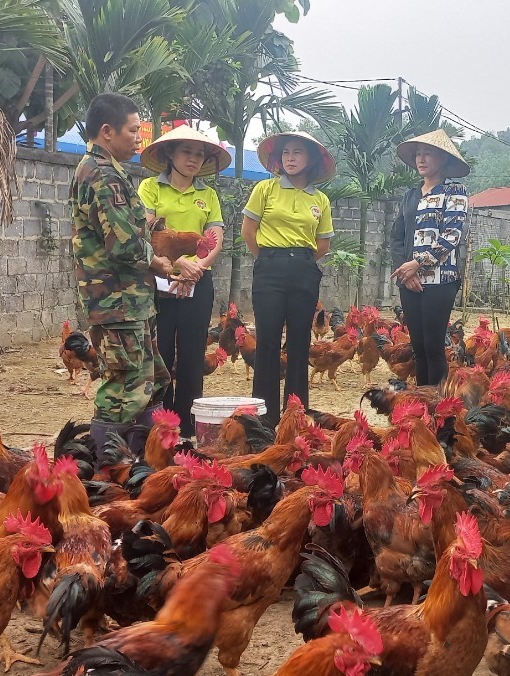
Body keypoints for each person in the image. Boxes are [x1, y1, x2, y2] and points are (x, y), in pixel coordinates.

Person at [70, 92, 181, 461]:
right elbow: (124, 246)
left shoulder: (102, 169)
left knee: (151, 381)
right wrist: (159, 262)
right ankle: (108, 471)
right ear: (107, 131)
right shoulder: (103, 176)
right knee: (125, 390)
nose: (139, 138)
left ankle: (140, 465)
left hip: (129, 301)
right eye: (134, 131)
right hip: (119, 302)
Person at [138, 125, 232, 438]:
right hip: (159, 278)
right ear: (169, 153)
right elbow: (147, 230)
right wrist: (176, 263)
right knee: (160, 353)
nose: (194, 159)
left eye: (200, 153)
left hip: (198, 280)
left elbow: (215, 238)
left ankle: (189, 429)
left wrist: (197, 267)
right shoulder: (150, 188)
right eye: (186, 152)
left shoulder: (208, 195)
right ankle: (162, 428)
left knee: (193, 355)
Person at [241, 131, 336, 427]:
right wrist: (271, 258)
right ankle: (264, 419)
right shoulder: (265, 189)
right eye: (286, 153)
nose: (291, 158)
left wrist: (300, 261)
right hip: (269, 269)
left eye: (298, 152)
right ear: (278, 159)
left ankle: (295, 415)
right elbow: (248, 232)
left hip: (305, 271)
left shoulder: (320, 199)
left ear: (310, 160)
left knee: (299, 341)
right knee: (268, 341)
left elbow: (323, 244)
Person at [389, 129, 471, 387]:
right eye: (418, 154)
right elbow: (397, 237)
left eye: (428, 154)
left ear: (444, 159)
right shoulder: (410, 195)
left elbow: (451, 236)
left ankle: (440, 407)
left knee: (434, 346)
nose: (421, 159)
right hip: (409, 280)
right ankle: (422, 402)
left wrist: (417, 264)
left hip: (441, 280)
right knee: (418, 346)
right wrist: (404, 271)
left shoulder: (455, 191)